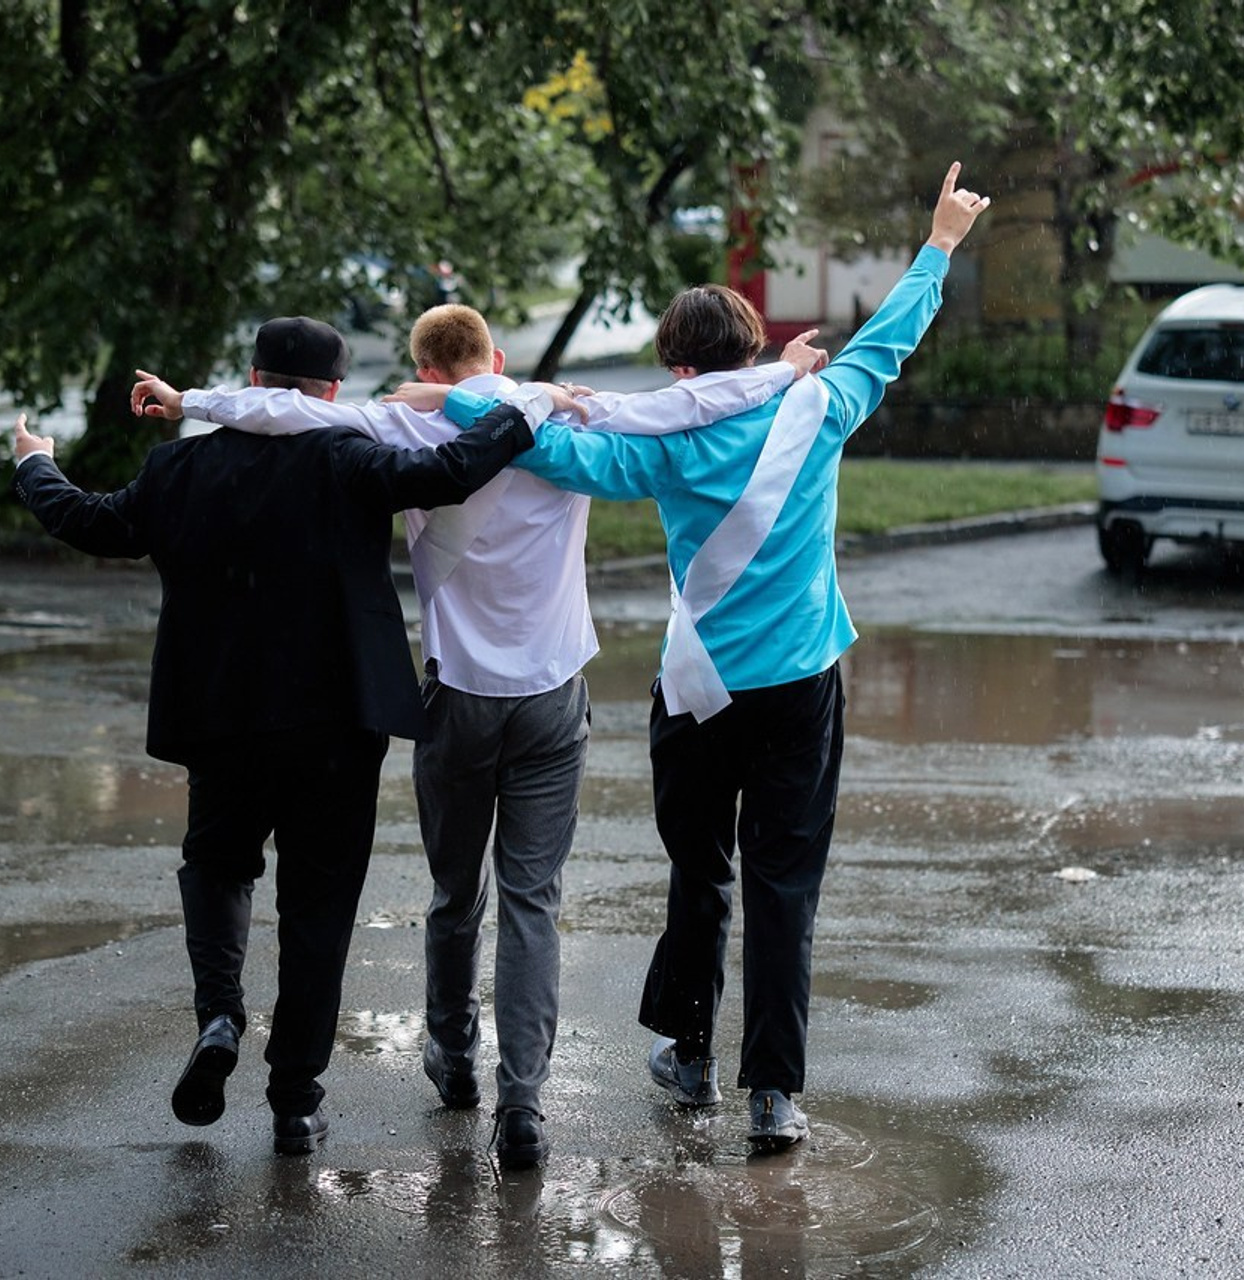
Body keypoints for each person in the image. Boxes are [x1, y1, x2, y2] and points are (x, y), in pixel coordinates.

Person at [157, 306, 824, 1169]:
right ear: (495, 358)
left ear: (426, 369)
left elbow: (297, 412)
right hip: (552, 699)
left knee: (452, 892)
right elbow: (682, 409)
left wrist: (191, 403)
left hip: (458, 699)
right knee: (532, 902)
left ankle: (452, 1056)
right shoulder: (552, 414)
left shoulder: (408, 422)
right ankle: (524, 1103)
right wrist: (782, 373)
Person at [440, 162, 991, 1151]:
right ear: (756, 351)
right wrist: (939, 240)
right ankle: (773, 1093)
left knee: (701, 874)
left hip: (695, 694)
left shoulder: (661, 446)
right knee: (786, 888)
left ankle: (689, 1055)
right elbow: (890, 340)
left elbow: (543, 450)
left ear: (680, 372)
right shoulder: (816, 410)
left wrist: (452, 400)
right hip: (800, 683)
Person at [9, 316, 568, 1156]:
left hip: (221, 718)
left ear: (253, 377)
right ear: (334, 392)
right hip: (337, 725)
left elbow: (94, 523)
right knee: (318, 908)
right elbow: (452, 471)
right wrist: (529, 407)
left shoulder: (181, 466)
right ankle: (295, 1102)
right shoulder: (346, 455)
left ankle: (222, 1014)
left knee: (217, 864)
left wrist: (33, 463)